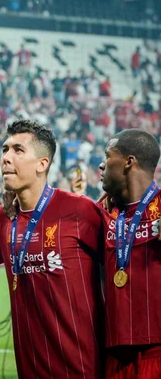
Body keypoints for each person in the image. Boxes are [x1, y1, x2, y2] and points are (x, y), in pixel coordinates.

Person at [0, 119, 105, 378]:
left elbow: (120, 261)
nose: (6, 158)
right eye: (5, 149)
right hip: (29, 369)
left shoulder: (80, 210)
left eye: (18, 150)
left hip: (82, 368)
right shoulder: (3, 218)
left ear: (42, 164)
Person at [98, 129, 161, 378]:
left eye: (108, 155)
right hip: (114, 354)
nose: (102, 164)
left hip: (156, 350)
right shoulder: (103, 215)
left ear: (128, 162)